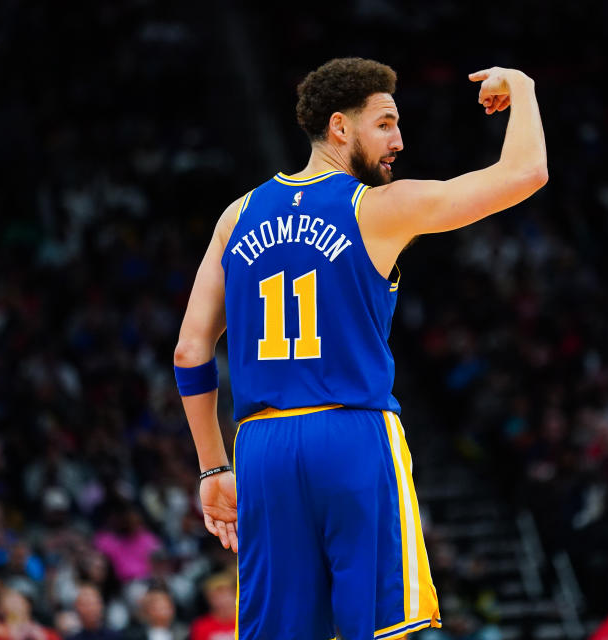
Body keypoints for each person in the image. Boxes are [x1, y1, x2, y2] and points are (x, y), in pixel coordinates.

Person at [174, 57, 547, 639]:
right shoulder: (374, 208)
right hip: (352, 435)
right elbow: (525, 172)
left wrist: (213, 467)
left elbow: (190, 350)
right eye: (386, 124)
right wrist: (521, 87)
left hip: (261, 447)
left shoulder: (237, 215)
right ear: (341, 128)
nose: (399, 141)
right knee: (377, 629)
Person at [189, 573, 235, 640]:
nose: (223, 601)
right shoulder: (201, 626)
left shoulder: (249, 621)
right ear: (208, 600)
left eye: (226, 595)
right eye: (216, 597)